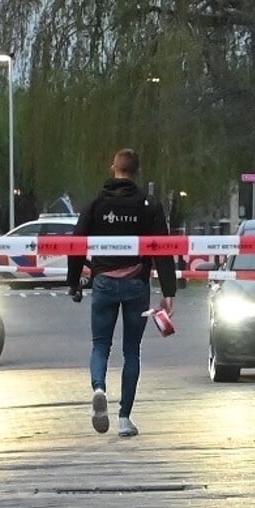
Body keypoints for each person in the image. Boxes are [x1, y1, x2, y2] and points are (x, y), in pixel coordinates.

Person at [67, 148, 177, 437]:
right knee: (132, 351)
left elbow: (76, 244)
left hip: (103, 282)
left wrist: (74, 281)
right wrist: (169, 291)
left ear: (113, 167)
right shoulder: (148, 205)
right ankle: (125, 418)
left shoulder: (96, 204)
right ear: (136, 171)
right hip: (135, 285)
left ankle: (99, 387)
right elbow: (163, 249)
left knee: (100, 345)